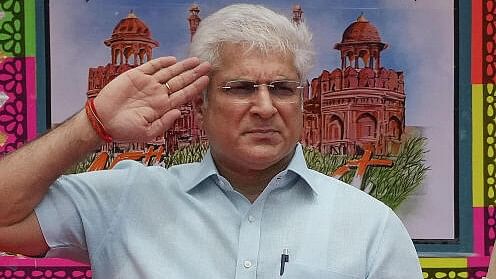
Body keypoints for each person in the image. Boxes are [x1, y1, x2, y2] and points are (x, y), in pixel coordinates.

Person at [0, 3, 422, 278]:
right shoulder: (125, 200)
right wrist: (92, 125)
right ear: (200, 106)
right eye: (239, 88)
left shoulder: (369, 227)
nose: (264, 107)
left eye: (281, 88)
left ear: (302, 99)